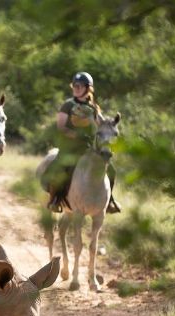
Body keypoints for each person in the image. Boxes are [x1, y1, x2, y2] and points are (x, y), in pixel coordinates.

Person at [48, 71, 120, 213]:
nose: (76, 88)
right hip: (70, 147)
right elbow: (61, 126)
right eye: (75, 85)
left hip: (89, 148)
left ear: (88, 88)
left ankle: (109, 200)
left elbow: (101, 123)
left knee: (111, 170)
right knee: (60, 168)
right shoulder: (67, 105)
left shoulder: (94, 108)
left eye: (80, 86)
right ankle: (55, 200)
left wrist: (110, 127)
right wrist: (75, 135)